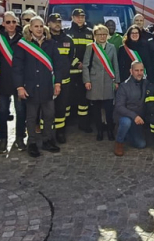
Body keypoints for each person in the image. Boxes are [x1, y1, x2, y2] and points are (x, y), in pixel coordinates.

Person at [13, 16, 64, 157]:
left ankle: (47, 140)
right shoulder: (23, 44)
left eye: (41, 26)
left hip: (48, 86)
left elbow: (58, 65)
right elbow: (17, 67)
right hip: (31, 87)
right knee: (31, 117)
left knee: (49, 115)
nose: (39, 29)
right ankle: (32, 143)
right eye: (36, 26)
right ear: (30, 28)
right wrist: (19, 87)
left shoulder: (51, 43)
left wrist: (58, 83)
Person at [83, 24, 120, 141]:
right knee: (96, 110)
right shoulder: (90, 47)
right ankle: (99, 131)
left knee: (109, 108)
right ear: (95, 36)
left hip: (109, 81)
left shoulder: (112, 47)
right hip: (95, 82)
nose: (103, 37)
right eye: (100, 34)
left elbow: (115, 65)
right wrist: (87, 80)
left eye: (105, 34)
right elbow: (85, 65)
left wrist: (117, 80)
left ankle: (109, 130)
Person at [0, 12, 24, 153]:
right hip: (3, 82)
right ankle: (3, 140)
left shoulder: (23, 38)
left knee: (20, 111)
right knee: (3, 112)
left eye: (13, 22)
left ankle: (19, 139)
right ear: (3, 24)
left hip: (19, 82)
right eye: (8, 22)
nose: (11, 25)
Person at [47, 13, 73, 144]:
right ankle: (47, 133)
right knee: (46, 109)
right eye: (54, 22)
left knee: (61, 108)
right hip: (47, 81)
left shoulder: (68, 39)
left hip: (64, 81)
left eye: (59, 21)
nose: (57, 24)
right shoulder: (45, 39)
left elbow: (70, 58)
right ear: (49, 23)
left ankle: (60, 133)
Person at [113, 61, 149, 156]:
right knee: (126, 122)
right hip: (125, 116)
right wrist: (134, 116)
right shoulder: (124, 86)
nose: (139, 73)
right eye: (136, 70)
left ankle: (127, 134)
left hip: (138, 119)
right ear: (131, 71)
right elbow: (119, 106)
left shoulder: (146, 83)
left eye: (141, 70)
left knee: (141, 144)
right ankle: (119, 142)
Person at [67, 8, 94, 132]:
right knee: (68, 98)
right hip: (71, 71)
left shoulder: (90, 33)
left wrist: (85, 64)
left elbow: (93, 52)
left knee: (84, 99)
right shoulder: (66, 32)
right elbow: (64, 53)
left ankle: (84, 123)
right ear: (72, 18)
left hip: (85, 72)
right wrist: (75, 63)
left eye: (82, 16)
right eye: (77, 16)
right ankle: (67, 123)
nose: (80, 19)